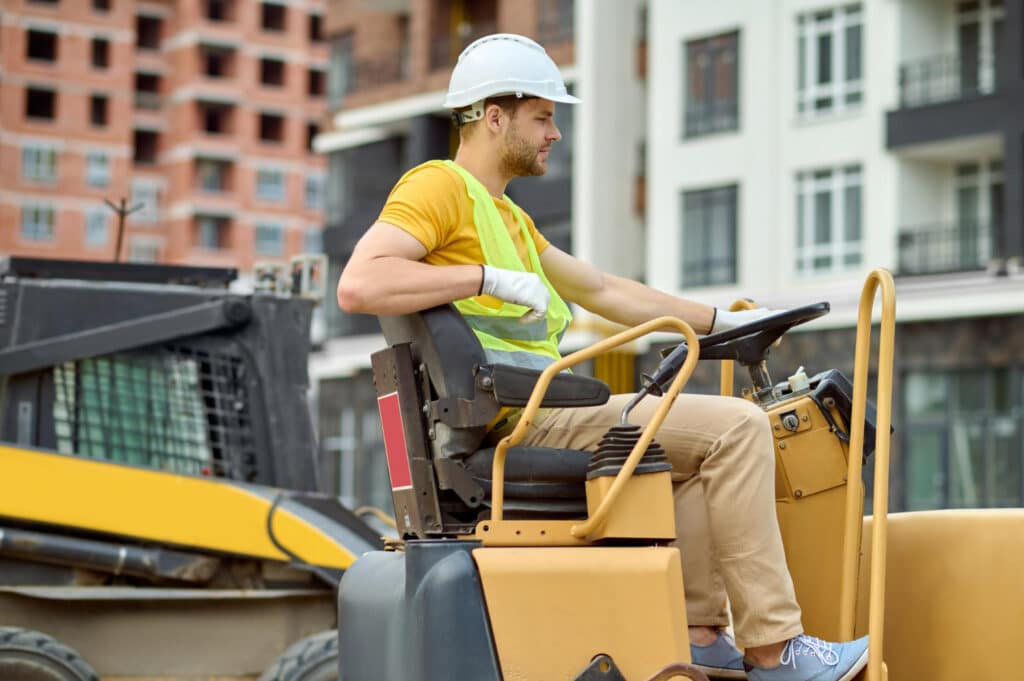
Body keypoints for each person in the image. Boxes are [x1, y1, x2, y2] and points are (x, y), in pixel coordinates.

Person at [337, 33, 869, 681]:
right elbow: (358, 283)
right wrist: (484, 279)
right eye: (543, 116)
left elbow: (603, 289)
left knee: (701, 456)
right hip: (523, 416)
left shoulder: (506, 216)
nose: (555, 133)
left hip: (528, 408)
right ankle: (777, 649)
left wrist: (721, 322)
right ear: (492, 117)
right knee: (739, 426)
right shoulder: (439, 188)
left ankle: (701, 630)